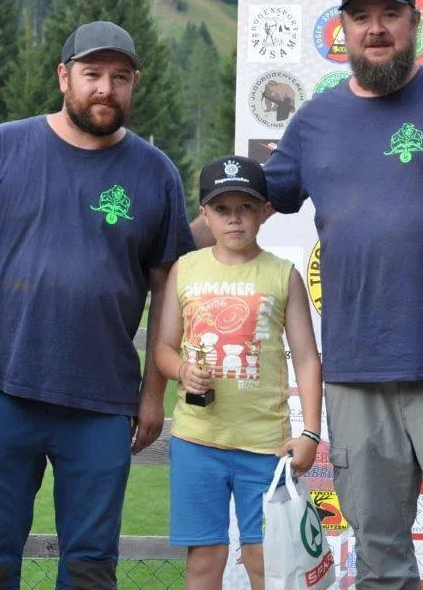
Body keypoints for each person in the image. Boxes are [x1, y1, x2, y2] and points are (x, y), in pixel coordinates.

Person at [262, 0, 423, 588]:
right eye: (361, 17)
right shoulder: (314, 121)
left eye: (389, 15)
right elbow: (247, 203)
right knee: (379, 558)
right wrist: (170, 248)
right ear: (342, 30)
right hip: (356, 373)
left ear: (414, 24)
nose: (375, 29)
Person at [0, 21, 194, 590]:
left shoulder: (156, 173)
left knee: (91, 564)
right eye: (92, 73)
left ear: (134, 83)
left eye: (120, 77)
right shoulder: (0, 147)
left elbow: (168, 291)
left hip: (101, 402)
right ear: (63, 77)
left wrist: (153, 393)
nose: (105, 88)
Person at [155, 154, 322, 590]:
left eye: (245, 207)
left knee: (263, 558)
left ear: (265, 211)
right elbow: (163, 349)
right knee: (204, 558)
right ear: (205, 214)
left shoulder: (283, 274)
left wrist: (310, 433)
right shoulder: (185, 269)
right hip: (197, 442)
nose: (234, 219)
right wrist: (182, 370)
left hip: (264, 445)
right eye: (222, 209)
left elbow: (307, 358)